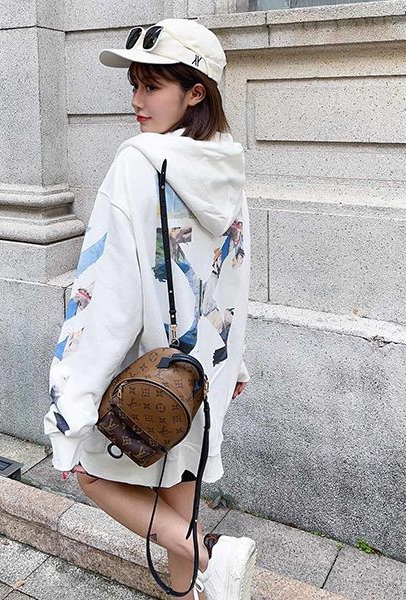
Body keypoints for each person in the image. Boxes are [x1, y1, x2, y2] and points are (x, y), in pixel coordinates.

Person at [43, 18, 256, 600]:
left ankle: (210, 555)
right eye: (134, 84)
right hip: (201, 374)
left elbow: (106, 295)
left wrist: (73, 402)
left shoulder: (138, 162)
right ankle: (200, 582)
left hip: (152, 374)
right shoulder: (227, 166)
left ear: (196, 92)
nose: (137, 101)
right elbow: (233, 273)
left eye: (152, 86)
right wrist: (233, 362)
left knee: (86, 471)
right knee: (181, 495)